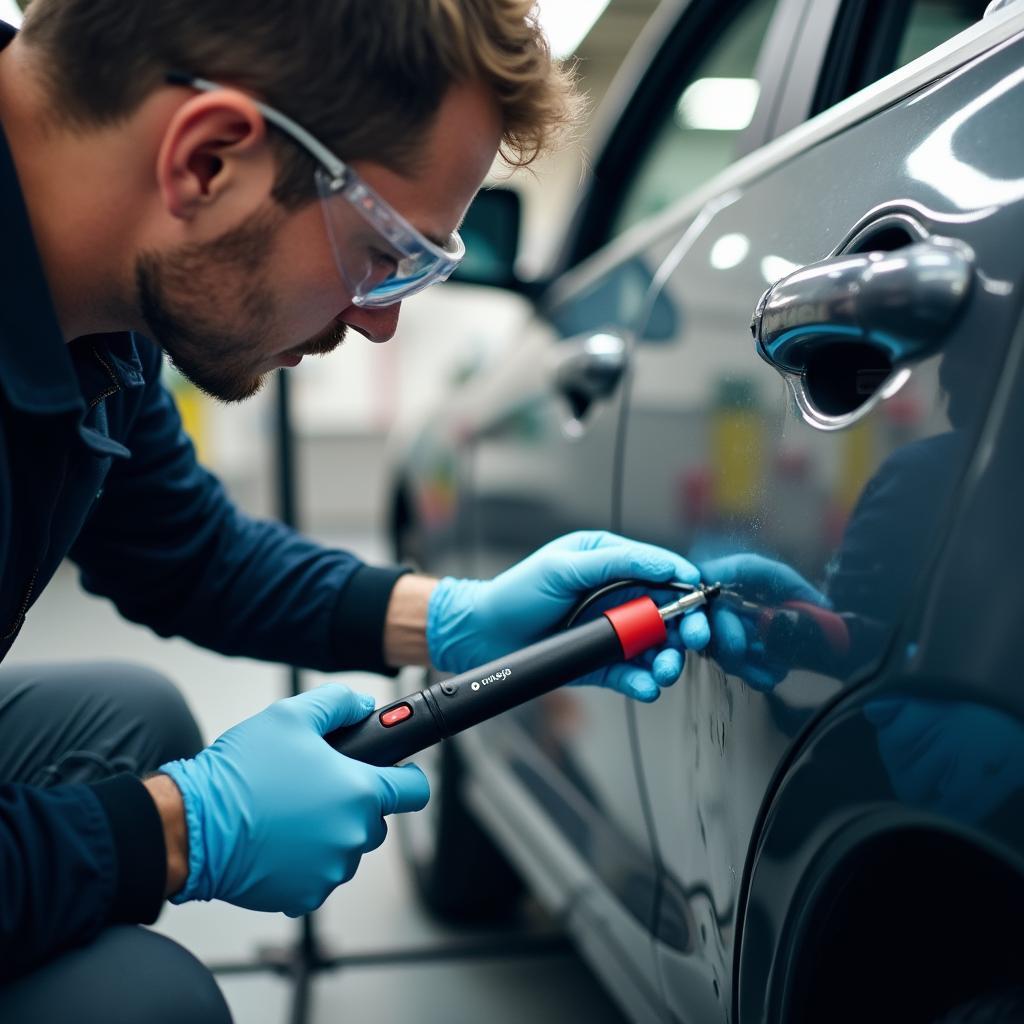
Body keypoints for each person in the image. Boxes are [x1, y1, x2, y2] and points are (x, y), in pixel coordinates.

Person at [0, 2, 712, 1018]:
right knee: (140, 1001)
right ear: (207, 162)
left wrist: (455, 619)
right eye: (386, 253)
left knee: (129, 719)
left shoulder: (102, 295)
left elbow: (185, 550)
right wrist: (176, 830)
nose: (379, 322)